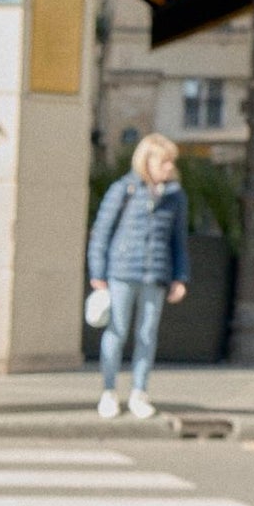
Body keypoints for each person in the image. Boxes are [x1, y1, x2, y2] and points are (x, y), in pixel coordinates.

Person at [86, 131, 190, 420]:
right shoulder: (124, 189)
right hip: (121, 272)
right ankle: (109, 391)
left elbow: (179, 241)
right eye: (164, 161)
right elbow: (101, 233)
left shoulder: (175, 196)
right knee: (116, 332)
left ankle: (139, 392)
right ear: (148, 161)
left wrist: (180, 278)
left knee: (147, 334)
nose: (169, 167)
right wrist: (98, 274)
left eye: (171, 162)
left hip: (155, 274)